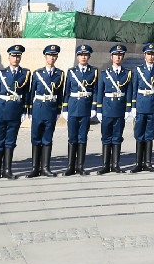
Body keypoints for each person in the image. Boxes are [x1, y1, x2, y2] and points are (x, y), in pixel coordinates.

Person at [0, 44, 30, 180]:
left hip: (15, 110)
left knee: (10, 141)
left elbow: (26, 93)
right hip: (1, 108)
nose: (16, 58)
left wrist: (25, 110)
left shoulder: (25, 73)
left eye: (18, 56)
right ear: (9, 57)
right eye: (13, 56)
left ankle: (7, 169)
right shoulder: (1, 73)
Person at [95, 43, 135, 174]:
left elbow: (129, 92)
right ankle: (105, 165)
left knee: (117, 136)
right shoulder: (105, 73)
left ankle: (116, 165)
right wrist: (99, 110)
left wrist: (128, 108)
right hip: (107, 108)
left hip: (120, 109)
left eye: (120, 55)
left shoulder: (127, 73)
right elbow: (100, 92)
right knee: (106, 136)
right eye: (116, 55)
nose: (118, 57)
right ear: (111, 57)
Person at [27, 44, 66, 177]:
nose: (52, 58)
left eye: (54, 55)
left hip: (51, 108)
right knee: (36, 137)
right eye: (50, 55)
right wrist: (29, 111)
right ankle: (34, 168)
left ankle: (45, 167)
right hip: (39, 108)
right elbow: (31, 93)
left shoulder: (60, 74)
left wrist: (59, 110)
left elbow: (60, 94)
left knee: (47, 138)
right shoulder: (37, 73)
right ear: (45, 56)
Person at [63, 44, 97, 176]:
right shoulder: (71, 72)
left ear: (88, 57)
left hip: (85, 108)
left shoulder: (93, 72)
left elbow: (95, 91)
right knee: (72, 137)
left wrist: (94, 107)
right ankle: (70, 166)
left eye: (86, 55)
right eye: (81, 55)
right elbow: (67, 92)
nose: (83, 57)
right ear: (77, 57)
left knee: (82, 137)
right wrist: (65, 108)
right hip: (72, 107)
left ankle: (80, 166)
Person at [131, 43, 154, 173]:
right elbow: (134, 89)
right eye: (149, 54)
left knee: (150, 133)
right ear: (144, 55)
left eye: (153, 54)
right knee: (139, 133)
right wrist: (133, 106)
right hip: (141, 103)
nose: (151, 56)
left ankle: (148, 162)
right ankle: (138, 163)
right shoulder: (138, 70)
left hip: (153, 104)